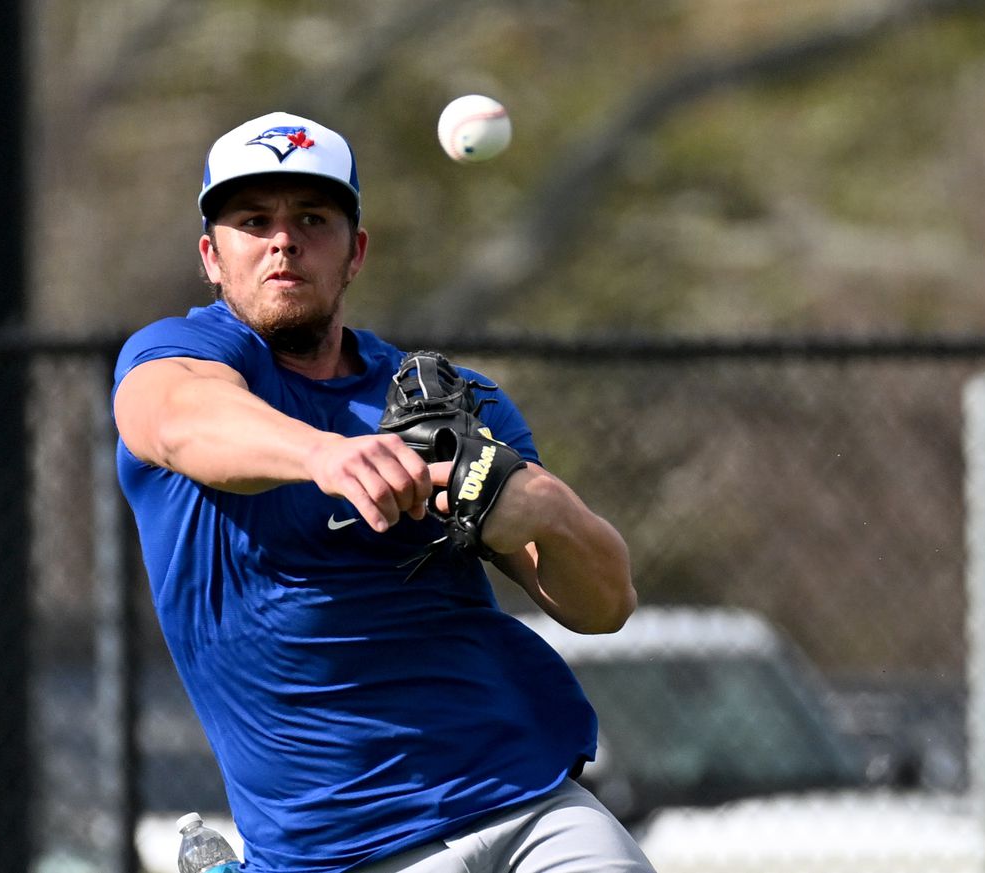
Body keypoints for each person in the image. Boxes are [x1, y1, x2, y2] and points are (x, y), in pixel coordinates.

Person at [112, 111, 655, 873]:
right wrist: (321, 455)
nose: (283, 240)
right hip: (350, 846)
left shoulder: (446, 402)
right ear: (212, 255)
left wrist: (544, 509)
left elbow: (606, 603)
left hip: (529, 796)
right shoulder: (183, 359)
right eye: (252, 220)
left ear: (355, 251)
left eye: (312, 218)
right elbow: (173, 419)